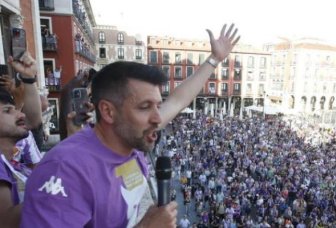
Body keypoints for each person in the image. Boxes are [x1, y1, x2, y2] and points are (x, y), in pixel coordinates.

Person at [21, 24, 240, 227]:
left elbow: (177, 101)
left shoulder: (129, 137)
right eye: (145, 107)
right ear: (108, 111)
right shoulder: (65, 170)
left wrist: (214, 59)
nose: (157, 118)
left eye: (157, 106)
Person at [0, 52, 42, 227]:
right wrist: (53, 188)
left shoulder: (10, 163)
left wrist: (29, 78)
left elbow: (32, 121)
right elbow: (6, 222)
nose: (20, 113)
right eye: (8, 110)